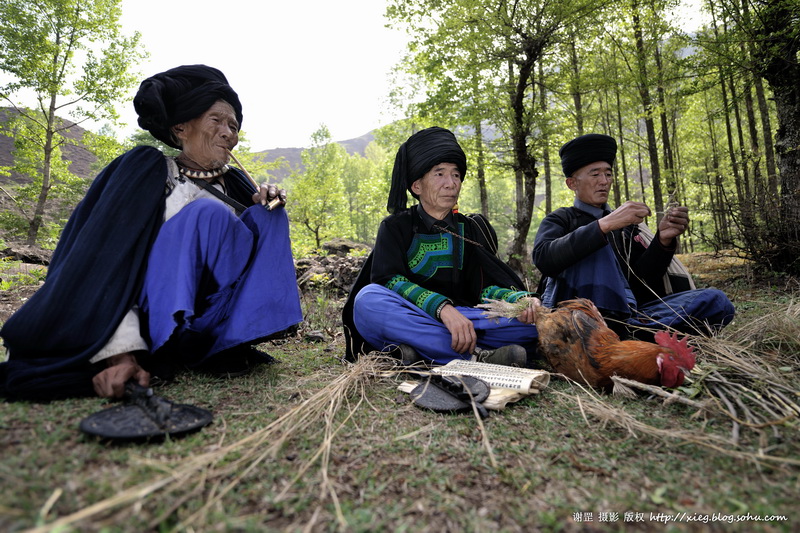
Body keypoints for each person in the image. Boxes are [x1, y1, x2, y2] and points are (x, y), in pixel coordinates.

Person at [0, 65, 303, 401]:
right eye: (216, 120)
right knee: (207, 213)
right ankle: (168, 342)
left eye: (233, 125)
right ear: (181, 127)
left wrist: (264, 208)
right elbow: (107, 261)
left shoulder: (237, 187)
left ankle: (227, 340)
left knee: (271, 217)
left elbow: (253, 267)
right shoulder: (148, 171)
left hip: (216, 318)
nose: (228, 132)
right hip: (150, 317)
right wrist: (121, 351)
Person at [342, 127, 540, 367]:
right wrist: (443, 310)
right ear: (417, 186)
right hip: (413, 318)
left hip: (469, 320)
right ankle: (476, 357)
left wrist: (521, 301)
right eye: (440, 174)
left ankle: (419, 351)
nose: (451, 183)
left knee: (533, 324)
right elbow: (389, 280)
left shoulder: (471, 228)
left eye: (456, 175)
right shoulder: (396, 227)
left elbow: (485, 288)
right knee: (368, 301)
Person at [532, 133, 735, 339]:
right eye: (595, 175)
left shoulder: (626, 226)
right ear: (572, 184)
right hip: (576, 318)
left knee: (716, 302)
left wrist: (662, 241)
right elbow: (544, 258)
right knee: (594, 245)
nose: (604, 181)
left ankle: (627, 337)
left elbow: (641, 283)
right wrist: (604, 225)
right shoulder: (561, 219)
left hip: (629, 315)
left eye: (608, 174)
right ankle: (612, 337)